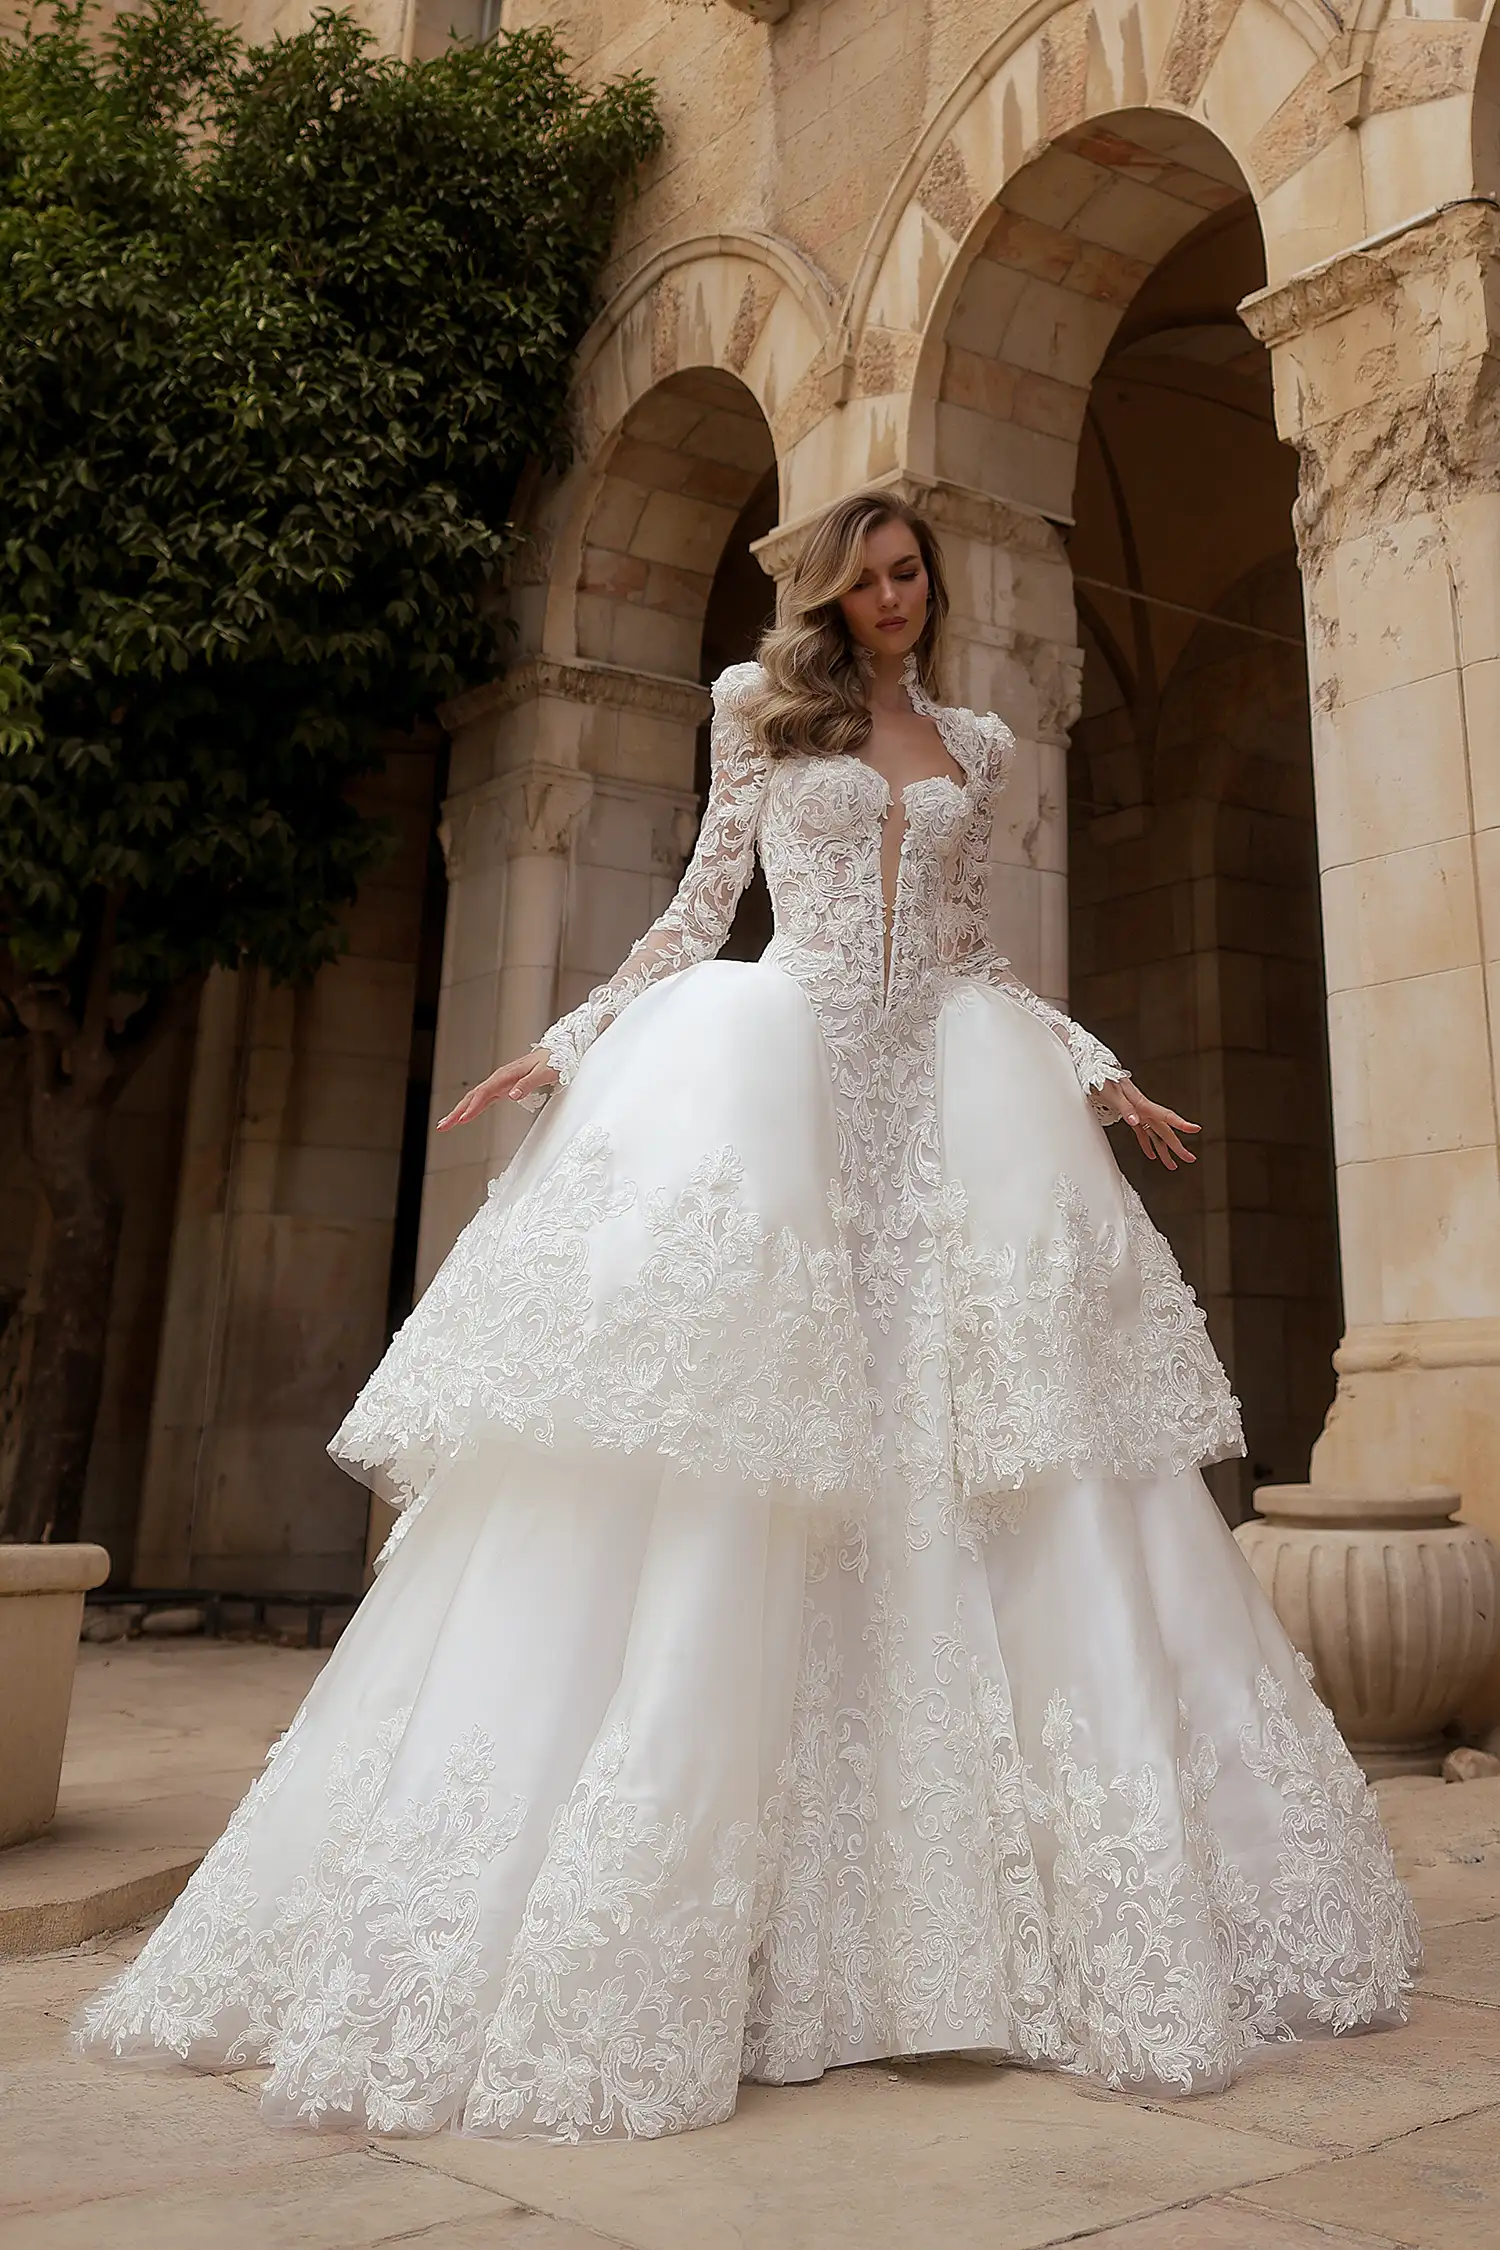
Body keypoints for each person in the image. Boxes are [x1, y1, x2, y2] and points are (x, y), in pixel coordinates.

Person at [75, 491, 1418, 2141]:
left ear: (935, 579)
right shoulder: (754, 710)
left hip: (942, 1123)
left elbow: (977, 952)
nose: (891, 597)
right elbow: (700, 910)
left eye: (910, 570)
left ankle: (992, 1941)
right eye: (864, 579)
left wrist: (1095, 1068)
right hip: (780, 1094)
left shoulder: (983, 744)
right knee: (747, 1486)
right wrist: (565, 1045)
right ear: (830, 599)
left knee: (990, 1478)